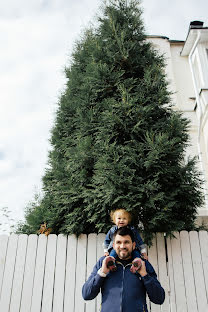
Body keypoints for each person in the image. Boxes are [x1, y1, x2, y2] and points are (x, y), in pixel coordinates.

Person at [82, 226, 165, 312]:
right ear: (113, 245)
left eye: (126, 242)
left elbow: (159, 299)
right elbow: (86, 294)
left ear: (133, 245)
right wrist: (102, 273)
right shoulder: (104, 262)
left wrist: (145, 275)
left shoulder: (143, 264)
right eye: (118, 242)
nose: (122, 246)